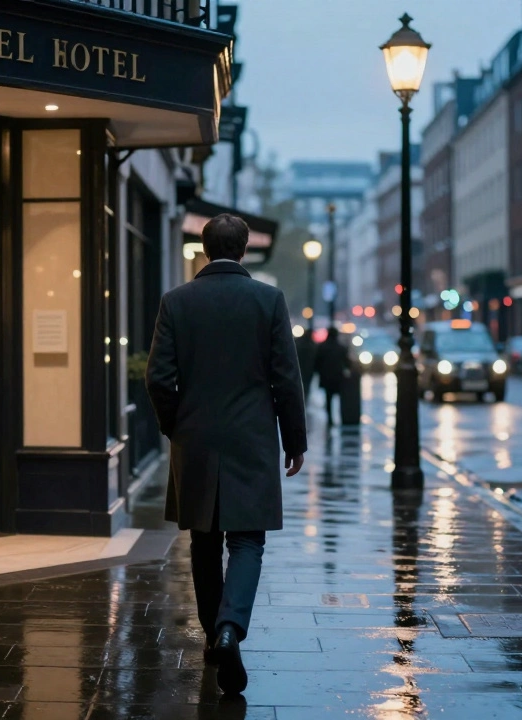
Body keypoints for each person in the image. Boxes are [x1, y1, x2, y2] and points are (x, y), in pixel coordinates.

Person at [145, 214, 307, 696]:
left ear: (203, 245)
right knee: (247, 541)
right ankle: (230, 628)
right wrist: (293, 441)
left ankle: (214, 633)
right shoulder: (267, 300)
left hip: (195, 439)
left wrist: (175, 426)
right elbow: (286, 378)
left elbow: (158, 378)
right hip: (251, 439)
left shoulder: (176, 301)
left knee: (203, 540)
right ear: (245, 250)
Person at [314, 328, 349, 425]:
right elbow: (347, 362)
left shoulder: (322, 347)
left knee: (328, 398)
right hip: (338, 377)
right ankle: (341, 417)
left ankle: (330, 419)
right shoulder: (341, 348)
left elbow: (317, 362)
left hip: (326, 377)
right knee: (341, 398)